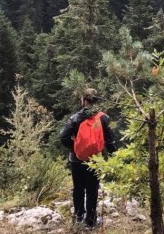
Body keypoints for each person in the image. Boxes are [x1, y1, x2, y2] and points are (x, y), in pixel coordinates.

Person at [60, 88, 117, 229]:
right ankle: (90, 222)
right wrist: (115, 157)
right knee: (92, 189)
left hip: (76, 158)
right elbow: (109, 141)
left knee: (78, 188)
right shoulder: (103, 117)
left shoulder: (75, 118)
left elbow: (63, 136)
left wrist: (75, 147)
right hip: (94, 159)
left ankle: (79, 217)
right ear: (96, 101)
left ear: (83, 101)